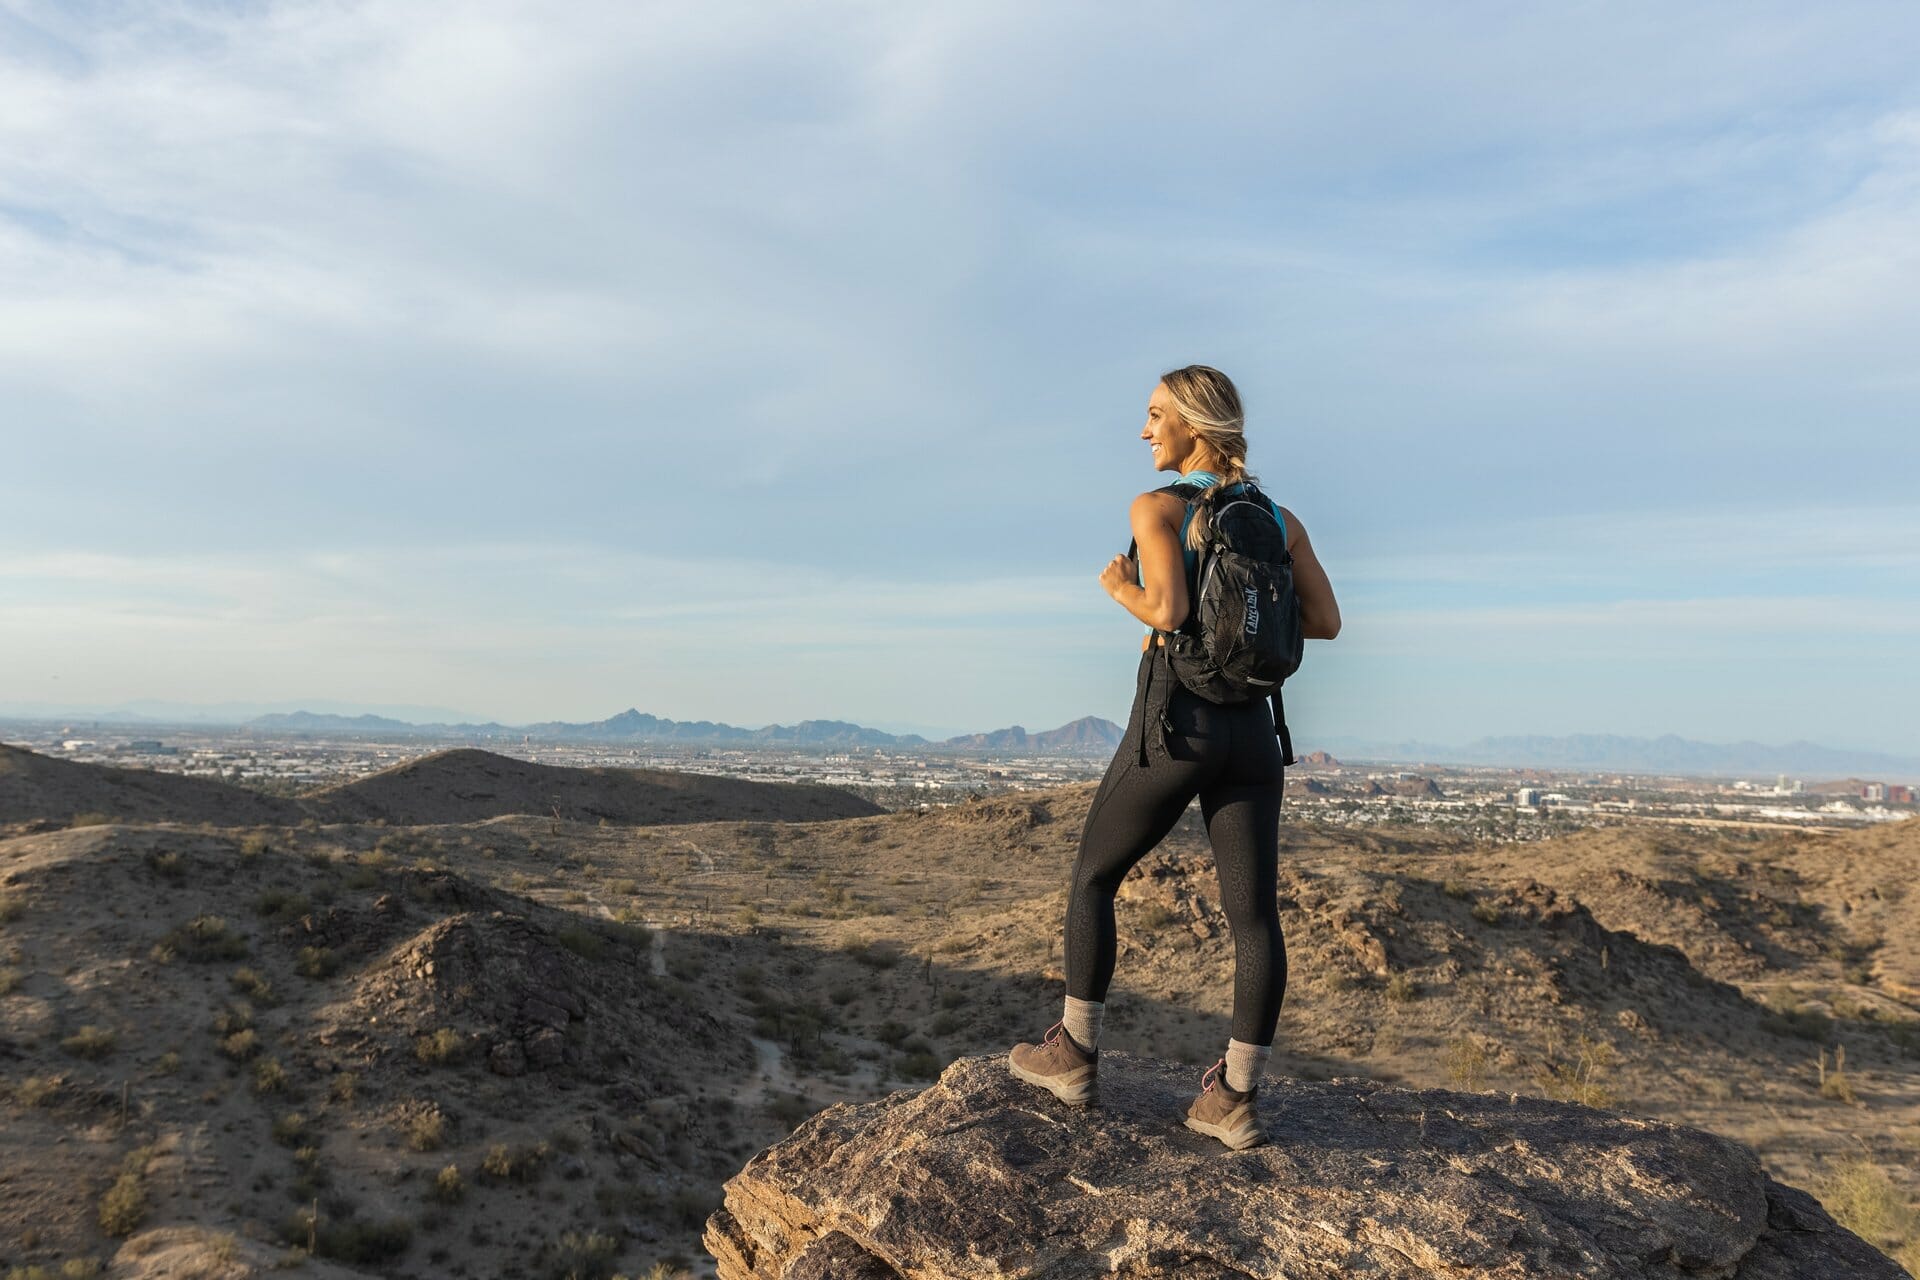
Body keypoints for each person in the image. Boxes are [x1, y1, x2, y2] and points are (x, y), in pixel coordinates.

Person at [1007, 365, 1341, 1150]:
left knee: (1094, 876)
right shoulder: (1279, 519)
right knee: (1253, 915)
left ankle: (1074, 1053)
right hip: (1254, 734)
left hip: (1176, 726)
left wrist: (1119, 586)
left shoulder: (1158, 508)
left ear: (1194, 423)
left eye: (1157, 415)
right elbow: (1324, 622)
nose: (1145, 429)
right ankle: (1233, 1097)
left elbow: (1169, 609)